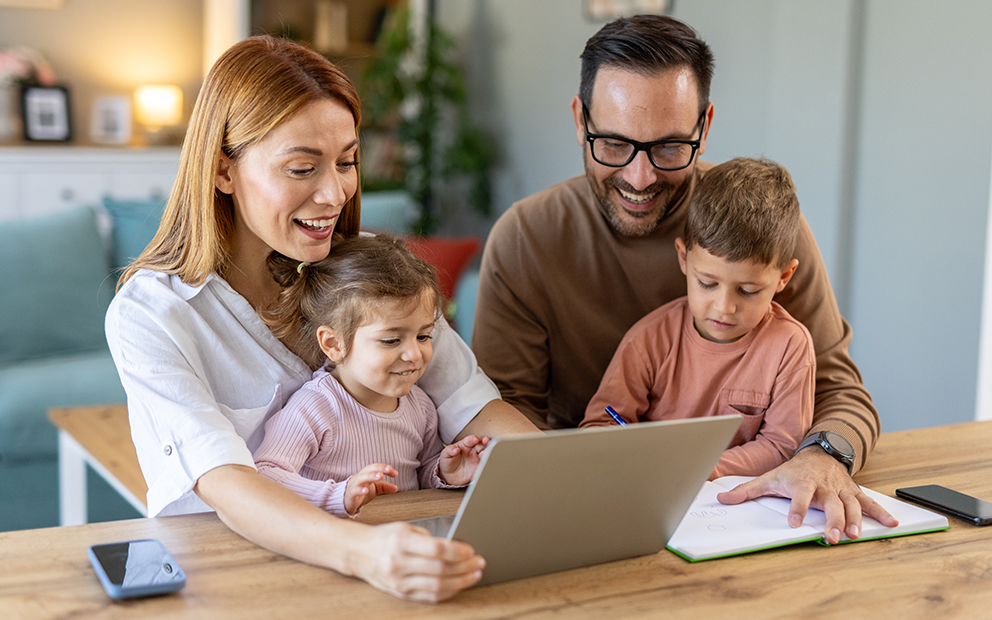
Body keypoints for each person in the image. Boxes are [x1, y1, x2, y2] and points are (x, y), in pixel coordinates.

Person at [105, 35, 535, 603]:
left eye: (348, 161)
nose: (335, 193)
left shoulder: (367, 266)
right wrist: (361, 553)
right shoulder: (155, 314)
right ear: (222, 171)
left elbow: (472, 406)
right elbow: (228, 482)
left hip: (388, 562)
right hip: (236, 578)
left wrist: (565, 481)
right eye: (303, 168)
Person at [472, 14, 898, 543]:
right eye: (613, 143)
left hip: (742, 512)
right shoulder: (526, 238)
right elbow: (504, 412)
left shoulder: (762, 233)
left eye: (670, 147)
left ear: (705, 125)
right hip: (590, 508)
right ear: (580, 120)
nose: (640, 176)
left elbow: (840, 389)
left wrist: (822, 454)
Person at [580, 157, 814, 479]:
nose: (724, 307)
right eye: (707, 283)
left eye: (747, 290)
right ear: (683, 258)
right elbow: (599, 425)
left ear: (784, 277)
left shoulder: (789, 347)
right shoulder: (648, 340)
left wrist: (702, 469)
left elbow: (781, 446)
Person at [253, 235, 489, 517]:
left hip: (401, 543)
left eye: (424, 335)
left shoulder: (421, 407)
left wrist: (444, 471)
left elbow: (419, 475)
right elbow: (265, 475)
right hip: (335, 545)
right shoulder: (315, 407)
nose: (415, 354)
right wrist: (338, 495)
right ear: (333, 344)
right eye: (391, 340)